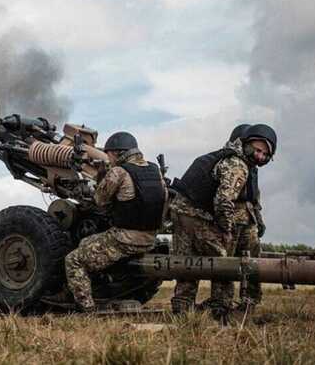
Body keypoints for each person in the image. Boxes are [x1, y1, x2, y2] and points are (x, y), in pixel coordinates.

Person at [170, 123, 277, 320]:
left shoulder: (228, 158)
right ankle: (221, 307)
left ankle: (183, 308)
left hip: (182, 212)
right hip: (195, 215)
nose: (260, 156)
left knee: (187, 261)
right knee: (222, 260)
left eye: (265, 154)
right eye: (258, 150)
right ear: (246, 143)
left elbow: (248, 200)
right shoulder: (237, 165)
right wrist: (226, 230)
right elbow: (223, 201)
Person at [65, 132, 167, 313]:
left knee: (74, 260)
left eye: (109, 155)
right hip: (150, 238)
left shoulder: (119, 172)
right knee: (86, 243)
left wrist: (102, 175)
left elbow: (99, 200)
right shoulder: (154, 170)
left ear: (118, 153)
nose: (109, 159)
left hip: (125, 239)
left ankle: (87, 309)